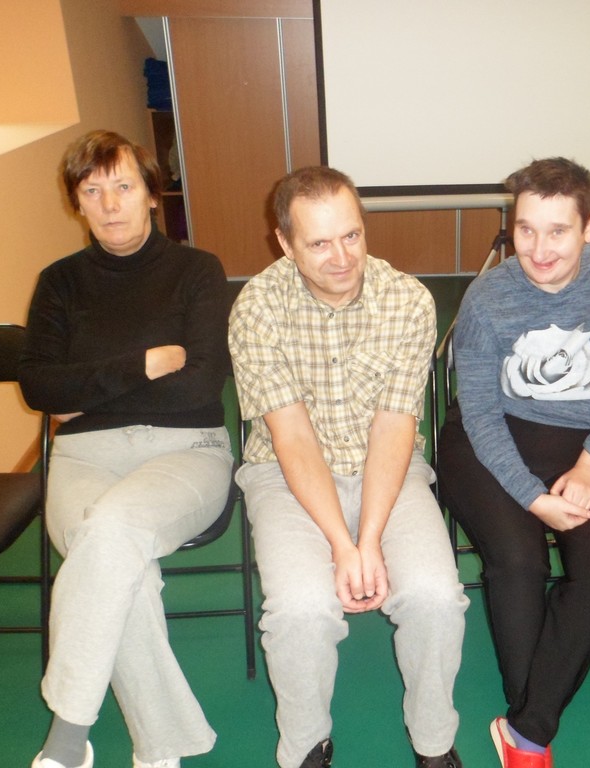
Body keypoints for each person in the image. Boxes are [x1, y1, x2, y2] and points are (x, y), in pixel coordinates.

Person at [227, 166, 469, 768]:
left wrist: (371, 537)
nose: (342, 258)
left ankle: (434, 741)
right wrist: (344, 545)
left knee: (436, 598)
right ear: (285, 244)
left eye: (351, 236)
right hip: (286, 472)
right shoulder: (257, 307)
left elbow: (394, 427)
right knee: (301, 611)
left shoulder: (407, 301)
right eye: (318, 243)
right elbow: (292, 437)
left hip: (387, 466)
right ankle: (307, 746)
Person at [19, 130, 234, 768]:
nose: (110, 204)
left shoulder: (198, 271)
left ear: (151, 194)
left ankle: (67, 738)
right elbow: (39, 389)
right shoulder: (59, 283)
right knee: (121, 565)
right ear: (77, 203)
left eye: (124, 186)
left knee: (109, 531)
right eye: (92, 191)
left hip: (188, 450)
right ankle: (159, 748)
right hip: (84, 458)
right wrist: (143, 365)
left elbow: (201, 385)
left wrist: (85, 391)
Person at [438, 157, 590, 768]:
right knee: (518, 562)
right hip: (492, 438)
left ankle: (526, 727)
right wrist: (533, 497)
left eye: (558, 231)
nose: (538, 250)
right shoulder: (488, 296)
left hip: (588, 437)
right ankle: (530, 725)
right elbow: (479, 413)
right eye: (525, 230)